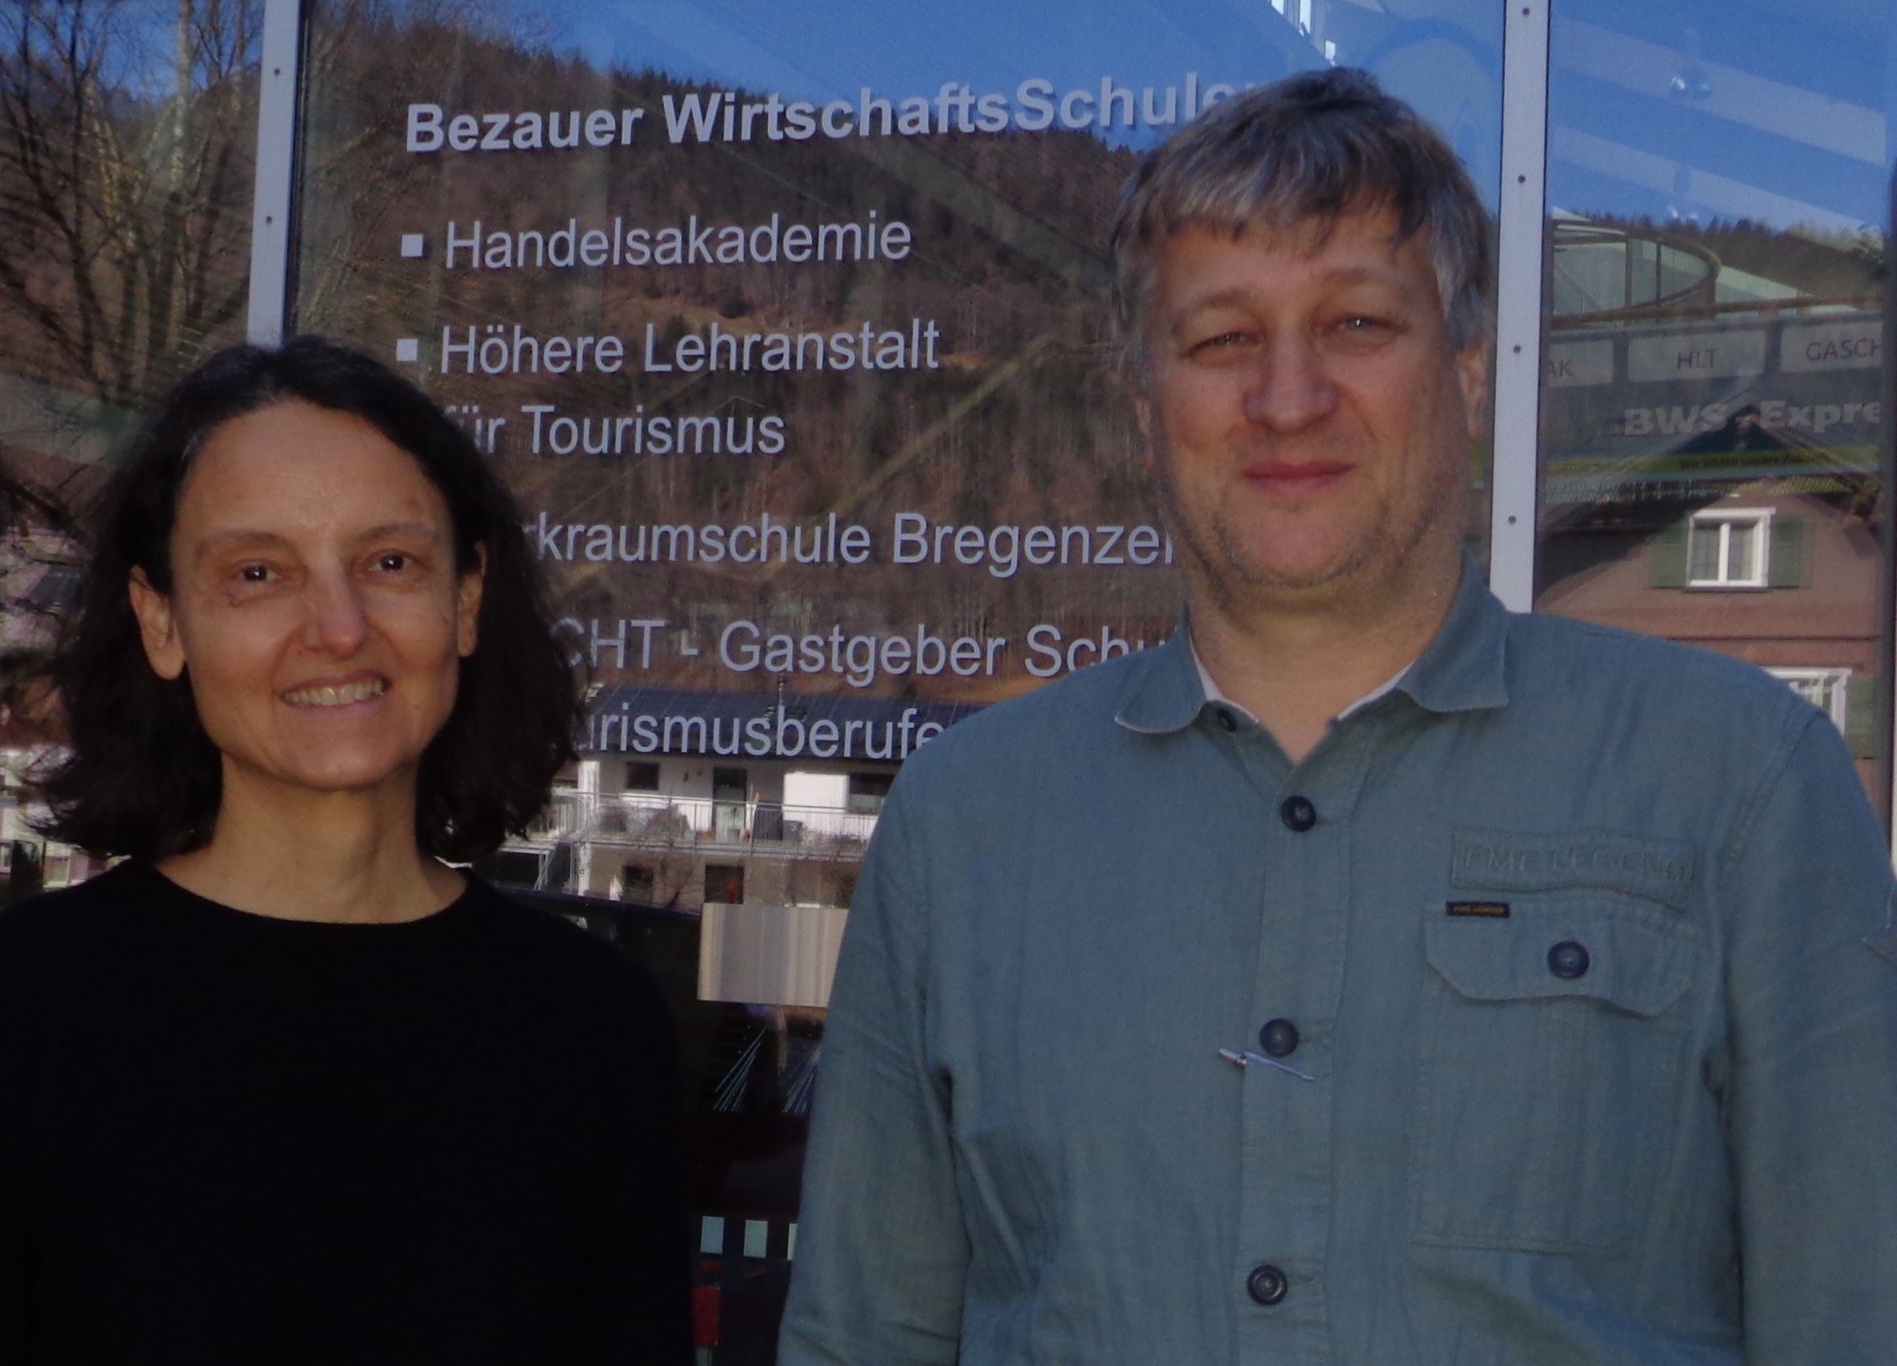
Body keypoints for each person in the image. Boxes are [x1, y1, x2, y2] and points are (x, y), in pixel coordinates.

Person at [780, 68, 1897, 1364]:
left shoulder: (1739, 781)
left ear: (1471, 376)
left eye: (1359, 322)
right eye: (1221, 338)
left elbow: (1854, 1317)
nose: (1289, 395)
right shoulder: (964, 825)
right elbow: (865, 1332)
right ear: (1147, 406)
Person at [0, 338, 692, 1364]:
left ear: (465, 599)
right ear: (162, 620)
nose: (337, 629)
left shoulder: (591, 1027)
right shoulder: (7, 1013)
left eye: (389, 562)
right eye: (258, 573)